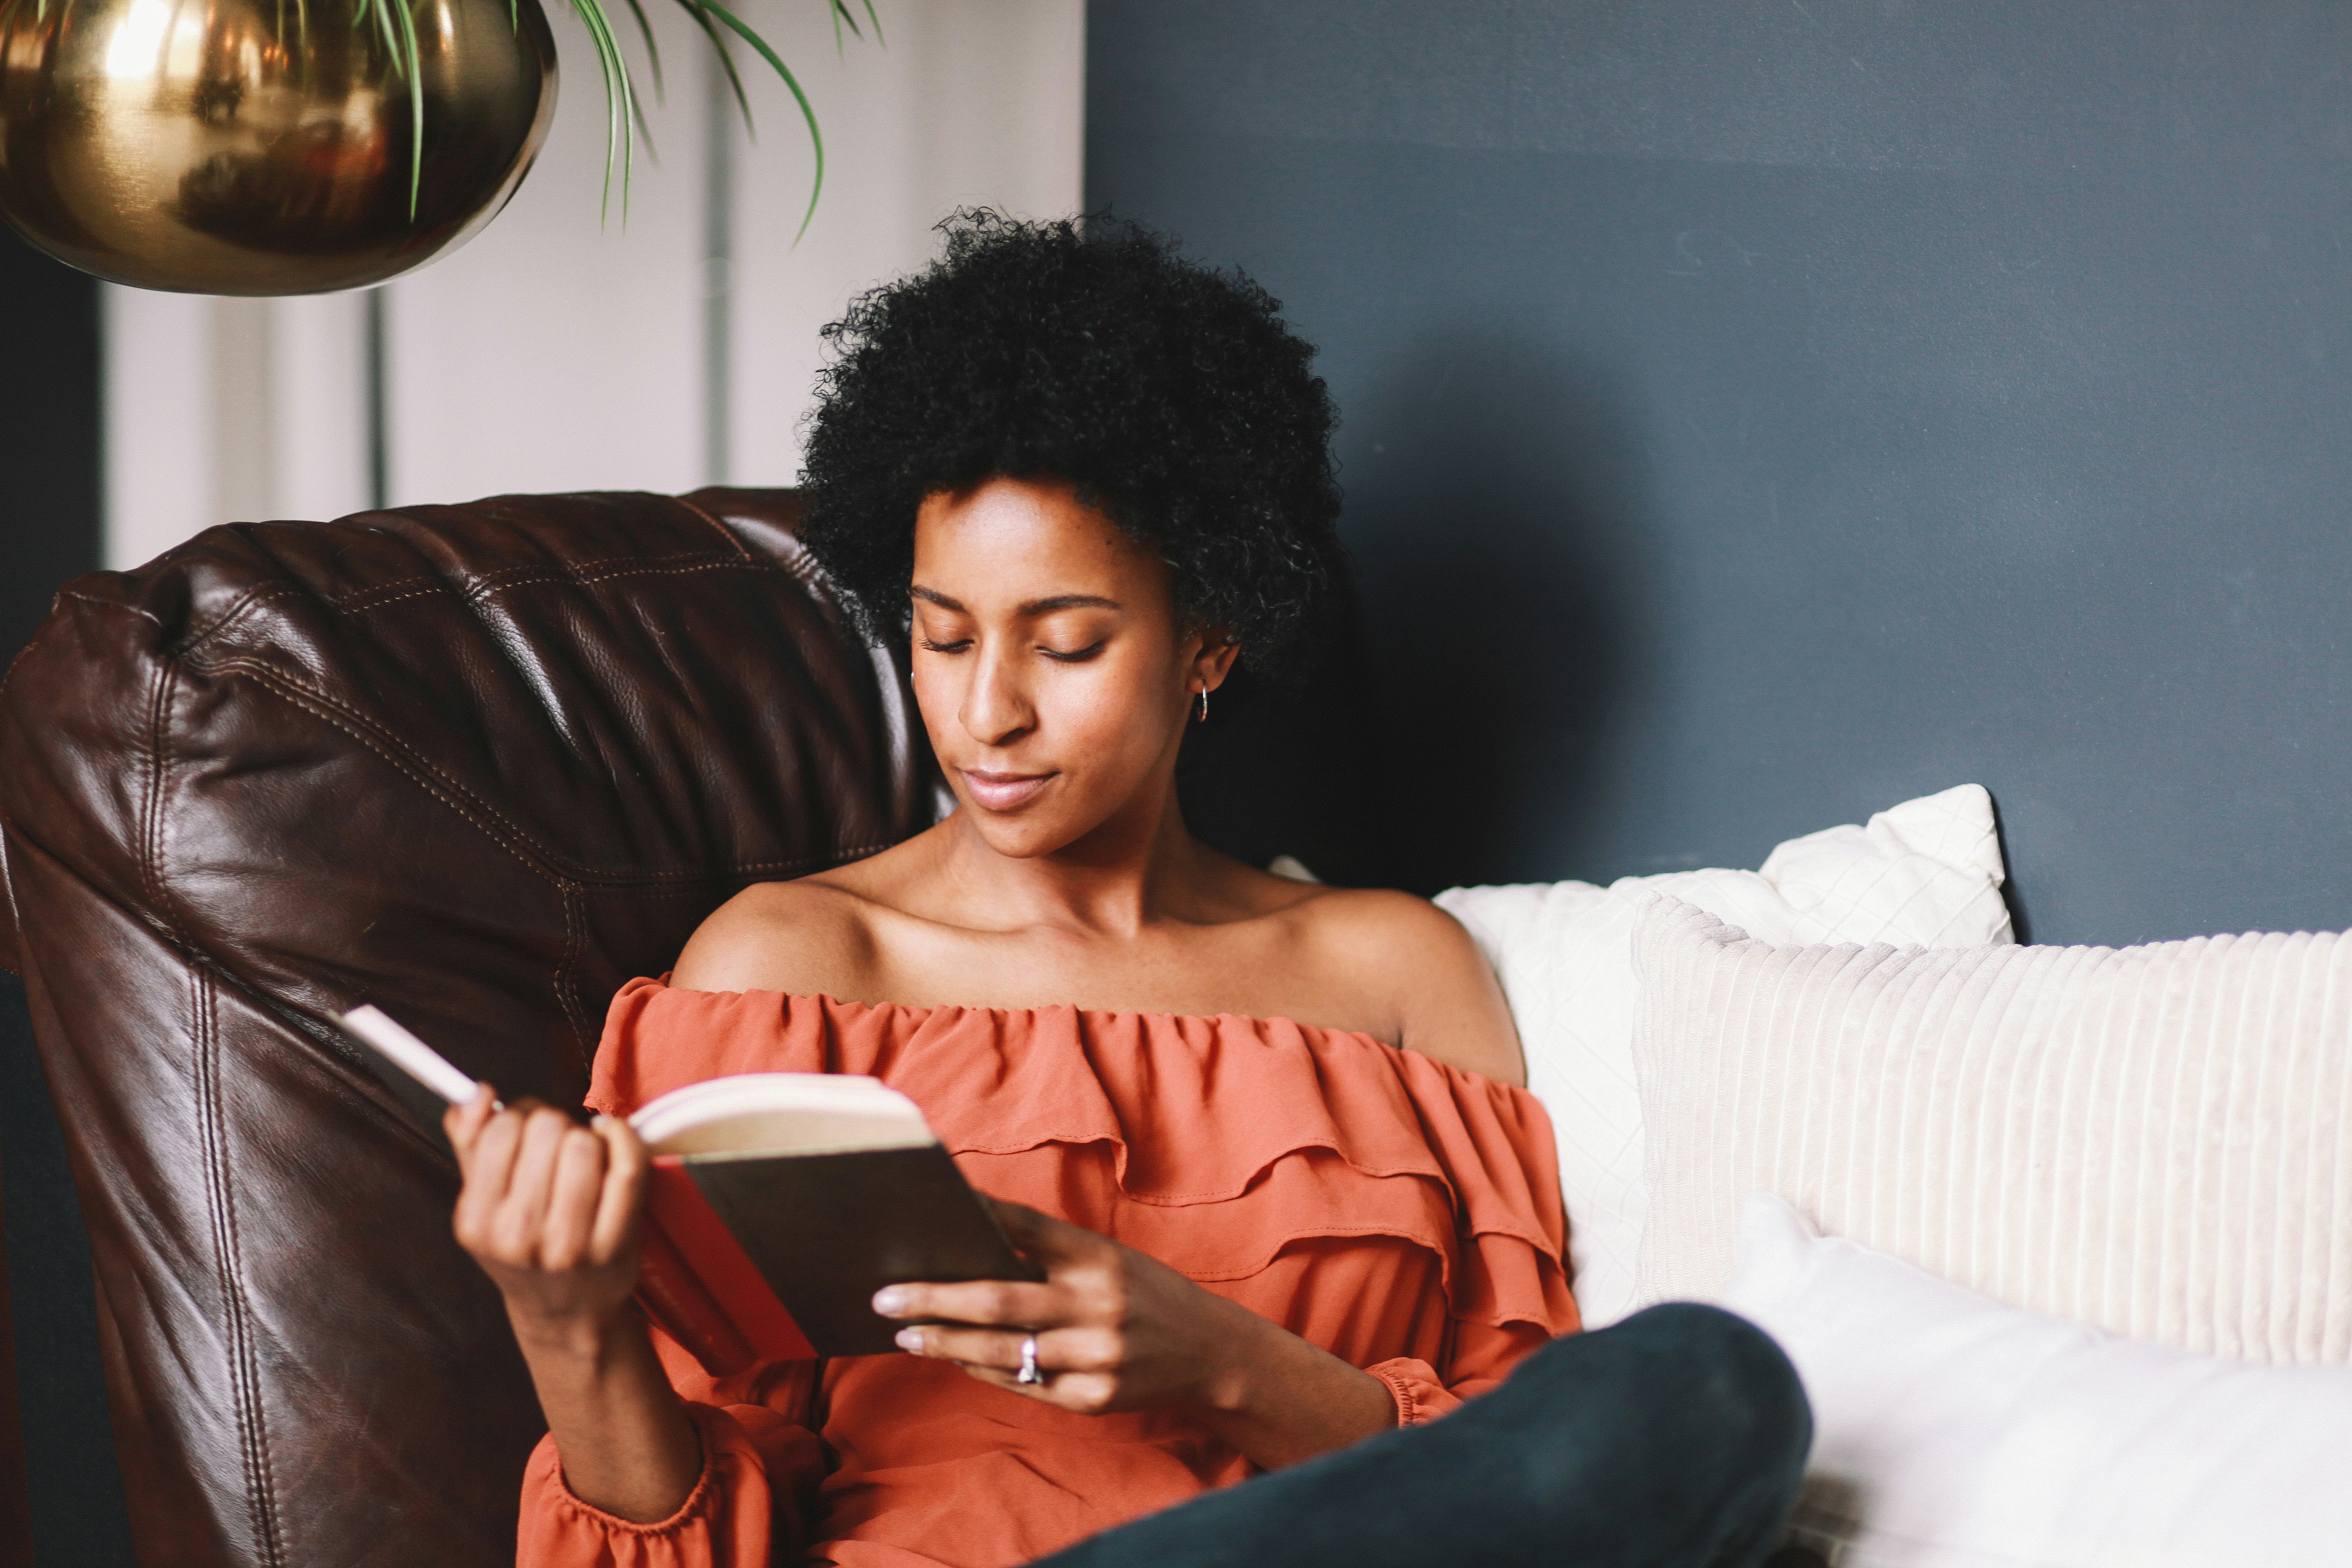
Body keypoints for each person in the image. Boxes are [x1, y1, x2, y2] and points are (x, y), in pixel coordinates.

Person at [445, 212, 1811, 1568]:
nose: (988, 714)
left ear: (1207, 640)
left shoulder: (1399, 976)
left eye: (1069, 643)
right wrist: (566, 1323)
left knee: (1708, 1385)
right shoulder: (791, 970)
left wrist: (1223, 1363)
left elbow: (1525, 1488)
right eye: (941, 636)